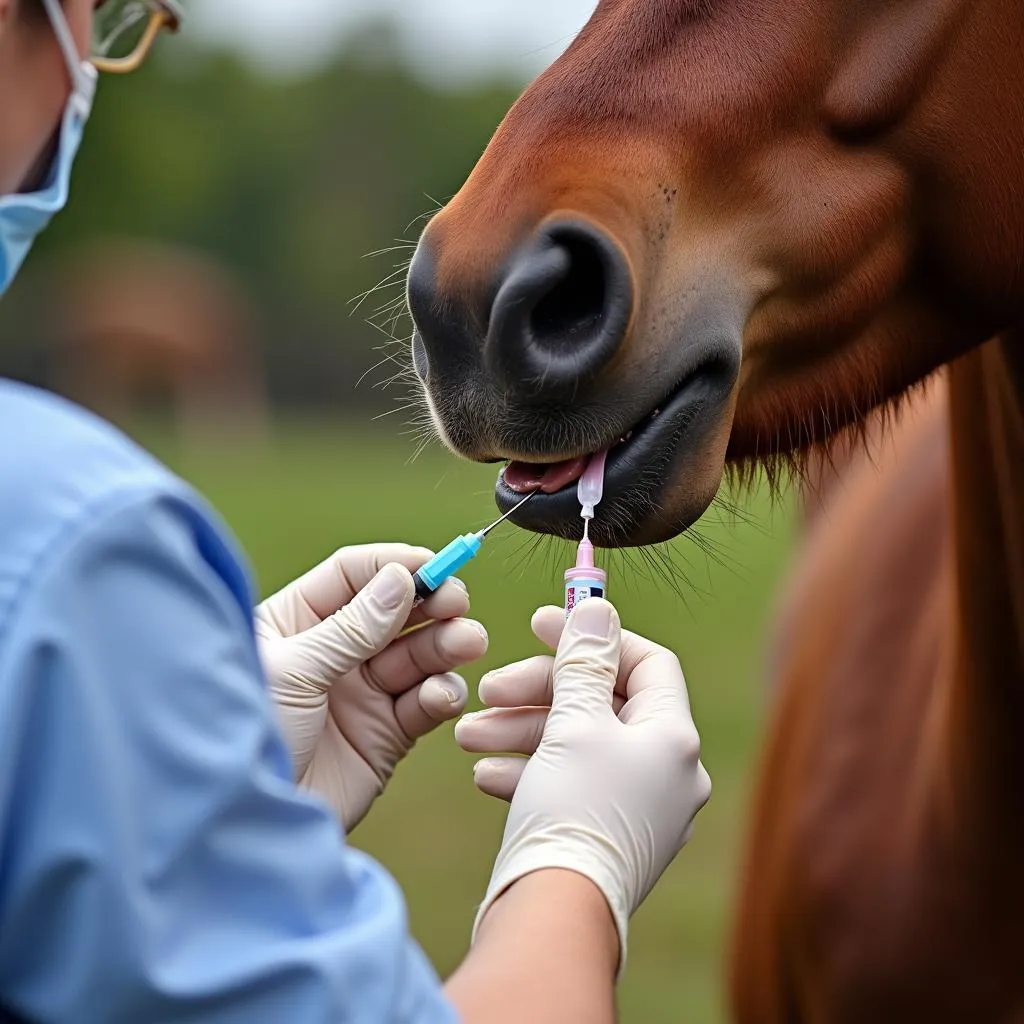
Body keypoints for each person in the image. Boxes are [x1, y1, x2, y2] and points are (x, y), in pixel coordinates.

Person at [0, 2, 713, 1022]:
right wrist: (576, 865)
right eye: (102, 20)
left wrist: (188, 799)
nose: (88, 77)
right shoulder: (69, 554)